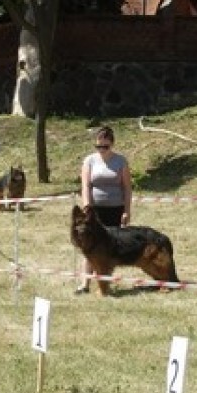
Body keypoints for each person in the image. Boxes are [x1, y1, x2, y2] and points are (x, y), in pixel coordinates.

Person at [75, 125, 133, 294]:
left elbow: (127, 188)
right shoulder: (89, 161)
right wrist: (87, 206)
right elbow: (85, 185)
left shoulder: (120, 161)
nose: (101, 150)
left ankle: (105, 282)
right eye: (98, 146)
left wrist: (127, 211)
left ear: (112, 144)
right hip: (94, 211)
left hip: (115, 208)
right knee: (89, 247)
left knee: (109, 248)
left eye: (105, 146)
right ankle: (85, 284)